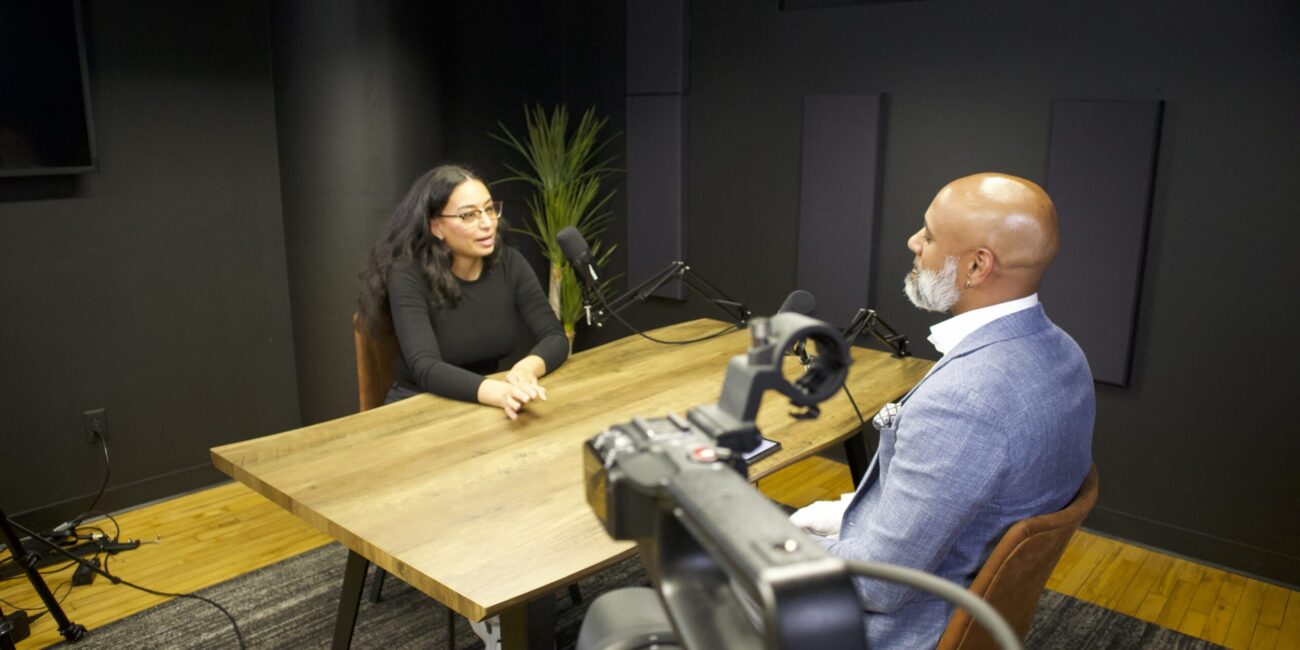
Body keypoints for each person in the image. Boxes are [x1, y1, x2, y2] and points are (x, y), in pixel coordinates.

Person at [790, 172, 1095, 648]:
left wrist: (767, 547)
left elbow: (876, 585)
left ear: (976, 267)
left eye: (929, 235)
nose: (913, 242)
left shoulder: (965, 401)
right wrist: (848, 512)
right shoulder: (1065, 355)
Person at [357, 164, 568, 420]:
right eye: (469, 215)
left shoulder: (510, 264)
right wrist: (499, 393)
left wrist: (527, 368)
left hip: (483, 405)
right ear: (436, 227)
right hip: (418, 408)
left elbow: (555, 336)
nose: (487, 224)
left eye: (489, 209)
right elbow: (427, 368)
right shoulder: (407, 274)